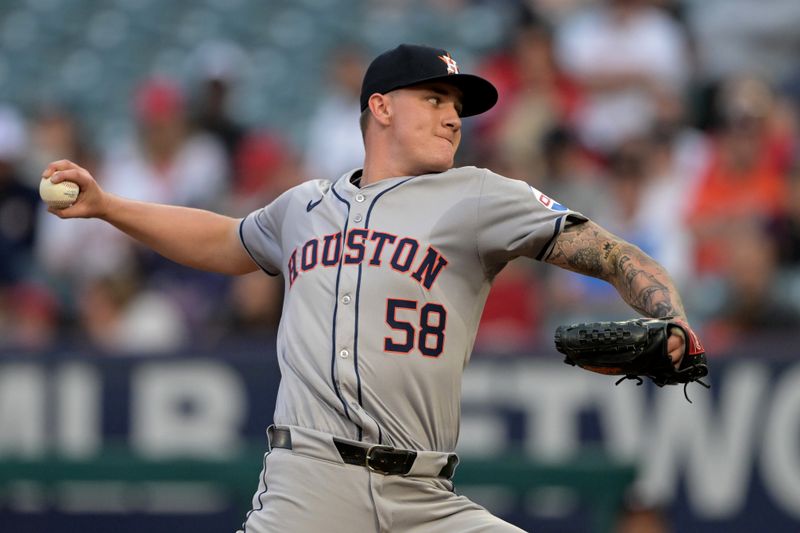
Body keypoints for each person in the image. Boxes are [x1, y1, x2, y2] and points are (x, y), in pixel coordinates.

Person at [43, 44, 698, 533]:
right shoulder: (303, 208)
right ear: (380, 107)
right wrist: (109, 206)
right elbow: (223, 239)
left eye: (458, 107)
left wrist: (668, 311)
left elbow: (610, 252)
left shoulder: (479, 196)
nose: (453, 119)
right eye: (435, 100)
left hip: (427, 496)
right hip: (309, 485)